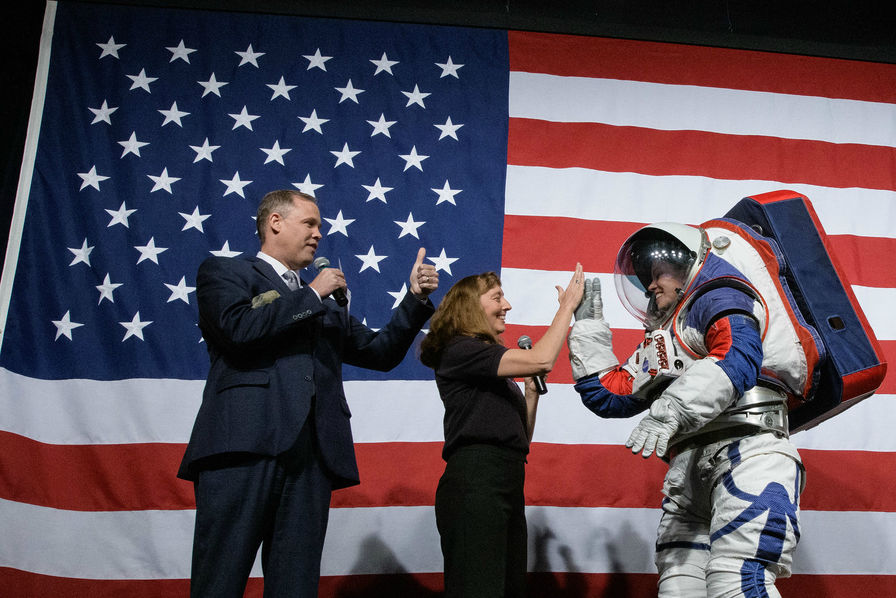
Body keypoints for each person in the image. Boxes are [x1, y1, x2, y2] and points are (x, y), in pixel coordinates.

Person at [177, 189, 439, 597]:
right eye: (310, 223)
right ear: (275, 222)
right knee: (219, 580)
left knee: (295, 586)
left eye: (320, 226)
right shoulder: (226, 273)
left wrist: (415, 301)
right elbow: (238, 331)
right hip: (243, 448)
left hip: (311, 458)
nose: (319, 234)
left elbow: (379, 352)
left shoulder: (324, 303)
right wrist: (312, 294)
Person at [567, 223, 804, 598]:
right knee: (680, 590)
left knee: (737, 581)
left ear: (687, 267)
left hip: (750, 455)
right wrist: (588, 325)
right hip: (690, 470)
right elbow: (610, 395)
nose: (650, 285)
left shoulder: (721, 295)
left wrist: (672, 409)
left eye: (659, 272)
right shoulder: (671, 335)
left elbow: (737, 356)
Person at [419, 264, 584, 597]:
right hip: (476, 483)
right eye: (497, 297)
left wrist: (531, 394)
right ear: (471, 307)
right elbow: (542, 359)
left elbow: (519, 438)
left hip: (506, 481)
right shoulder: (460, 349)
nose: (507, 305)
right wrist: (567, 307)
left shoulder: (484, 362)